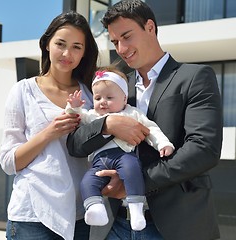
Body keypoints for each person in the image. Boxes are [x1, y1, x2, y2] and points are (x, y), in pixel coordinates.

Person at [66, 1, 223, 240]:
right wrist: (108, 125)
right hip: (114, 226)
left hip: (176, 225)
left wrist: (134, 183)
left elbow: (204, 149)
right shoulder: (115, 85)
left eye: (126, 36)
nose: (121, 48)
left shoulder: (195, 77)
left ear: (150, 27)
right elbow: (75, 143)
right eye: (115, 41)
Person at [0, 11, 99, 240]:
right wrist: (48, 133)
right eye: (60, 44)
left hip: (79, 215)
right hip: (32, 216)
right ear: (46, 45)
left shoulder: (92, 95)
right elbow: (8, 162)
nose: (67, 53)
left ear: (84, 53)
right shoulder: (23, 91)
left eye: (76, 47)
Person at [65, 66, 174, 231]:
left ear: (124, 99)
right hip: (99, 161)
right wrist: (74, 107)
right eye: (98, 97)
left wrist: (163, 143)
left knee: (132, 170)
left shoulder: (132, 113)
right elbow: (78, 120)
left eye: (109, 97)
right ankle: (95, 208)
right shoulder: (94, 115)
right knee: (88, 181)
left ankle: (136, 208)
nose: (103, 102)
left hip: (124, 156)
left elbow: (150, 129)